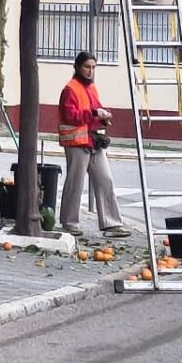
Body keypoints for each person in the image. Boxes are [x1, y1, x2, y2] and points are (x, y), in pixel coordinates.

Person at [58, 52, 129, 238]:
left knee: (105, 179)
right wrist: (95, 114)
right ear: (77, 67)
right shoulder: (70, 89)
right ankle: (69, 223)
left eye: (93, 67)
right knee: (75, 183)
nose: (90, 71)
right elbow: (71, 116)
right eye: (87, 67)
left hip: (93, 141)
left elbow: (96, 109)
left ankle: (112, 224)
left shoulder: (91, 88)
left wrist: (104, 117)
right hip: (77, 142)